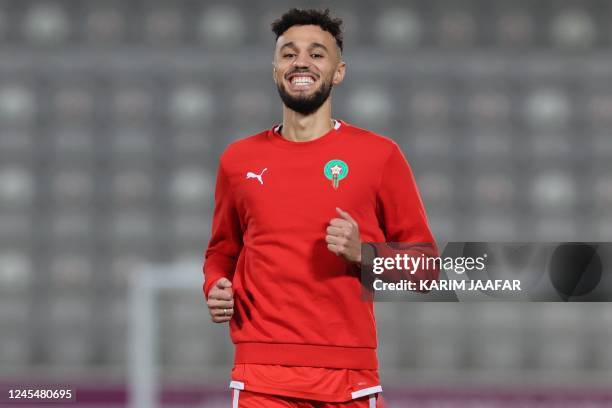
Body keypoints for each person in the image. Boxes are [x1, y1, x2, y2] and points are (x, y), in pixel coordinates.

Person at [203, 8, 437, 408]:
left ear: (339, 71)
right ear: (275, 68)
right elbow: (222, 252)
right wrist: (215, 286)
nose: (301, 63)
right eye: (289, 53)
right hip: (262, 376)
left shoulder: (379, 156)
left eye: (317, 53)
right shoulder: (237, 160)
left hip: (349, 379)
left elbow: (428, 270)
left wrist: (363, 253)